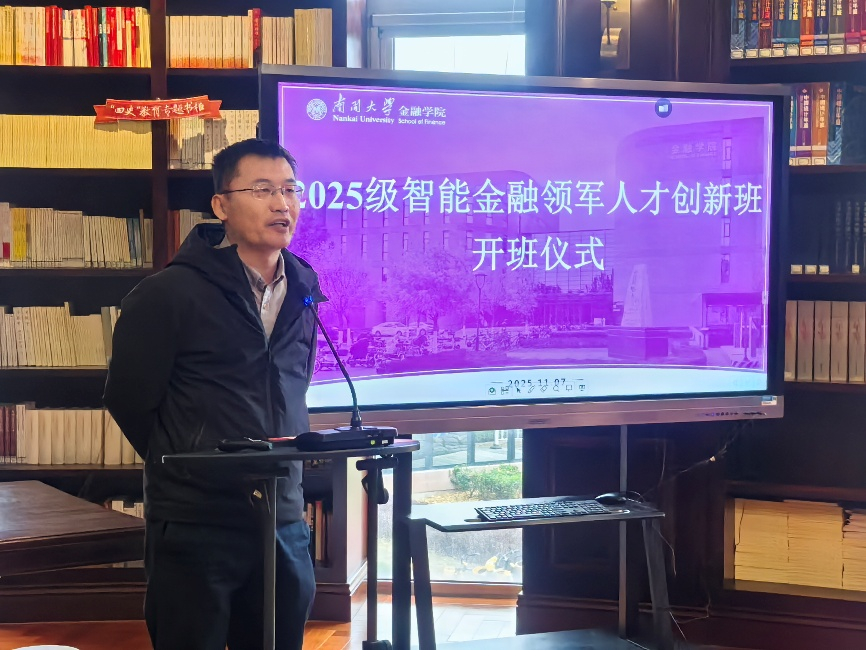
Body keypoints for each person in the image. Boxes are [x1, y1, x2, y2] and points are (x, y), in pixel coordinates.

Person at [104, 138, 324, 650]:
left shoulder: (305, 287)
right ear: (221, 205)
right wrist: (186, 460)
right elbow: (129, 398)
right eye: (263, 190)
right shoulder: (168, 293)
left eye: (290, 190)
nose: (282, 204)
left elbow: (294, 383)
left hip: (282, 517)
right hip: (196, 521)